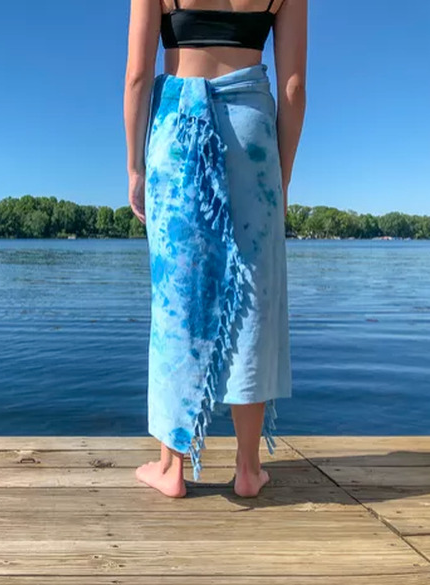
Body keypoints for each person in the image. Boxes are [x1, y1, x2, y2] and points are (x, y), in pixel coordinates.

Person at [124, 0, 307, 498]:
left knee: (178, 297)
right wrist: (281, 176)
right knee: (252, 296)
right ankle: (248, 468)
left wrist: (135, 168)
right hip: (252, 126)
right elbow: (292, 88)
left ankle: (171, 467)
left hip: (177, 127)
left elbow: (139, 76)